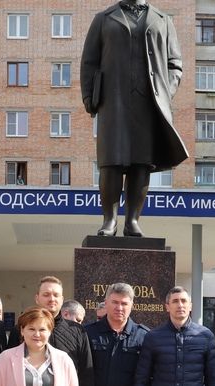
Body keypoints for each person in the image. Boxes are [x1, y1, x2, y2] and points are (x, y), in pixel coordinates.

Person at [81, 0, 187, 237]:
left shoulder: (163, 20)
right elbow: (89, 61)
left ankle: (132, 221)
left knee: (141, 163)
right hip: (113, 100)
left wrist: (165, 91)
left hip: (149, 103)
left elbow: (175, 64)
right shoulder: (104, 18)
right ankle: (109, 220)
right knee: (111, 162)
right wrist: (89, 96)